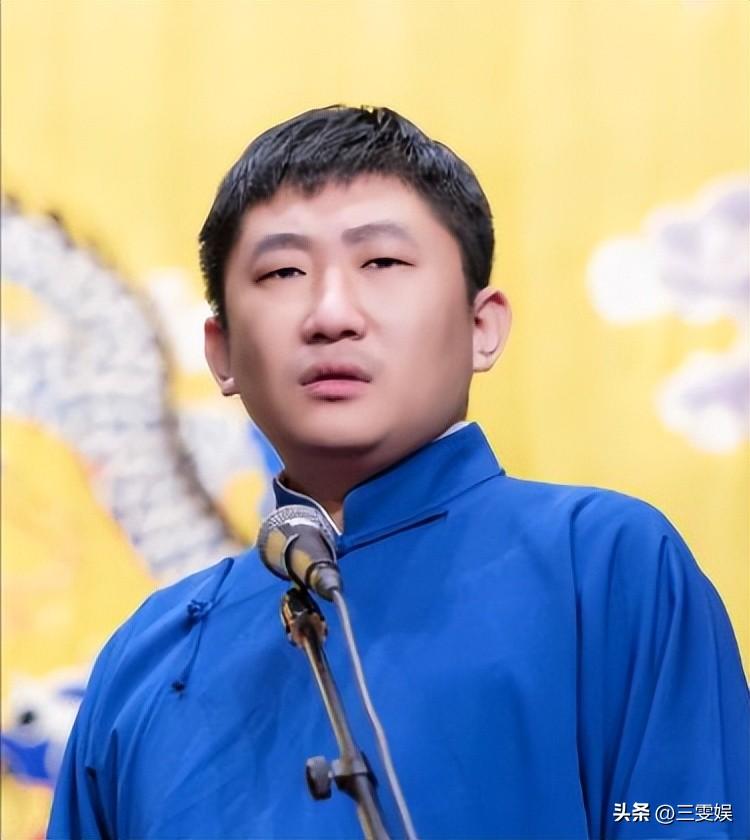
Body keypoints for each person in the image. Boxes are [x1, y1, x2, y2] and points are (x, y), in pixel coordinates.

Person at [48, 106, 748, 840]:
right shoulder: (146, 660)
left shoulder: (605, 565)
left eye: (381, 263)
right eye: (283, 272)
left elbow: (690, 815)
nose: (331, 313)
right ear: (222, 353)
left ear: (481, 327)